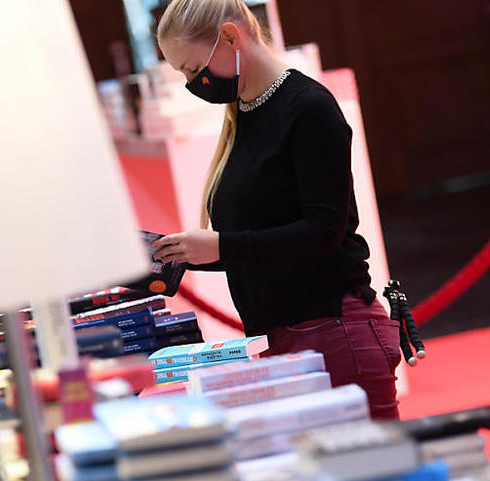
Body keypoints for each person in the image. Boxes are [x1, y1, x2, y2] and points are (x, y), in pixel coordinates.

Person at [152, 0, 421, 419]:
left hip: (332, 331)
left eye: (191, 68)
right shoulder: (243, 114)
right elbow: (260, 242)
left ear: (229, 37)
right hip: (283, 338)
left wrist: (220, 246)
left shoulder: (309, 108)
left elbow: (322, 232)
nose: (192, 82)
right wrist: (172, 257)